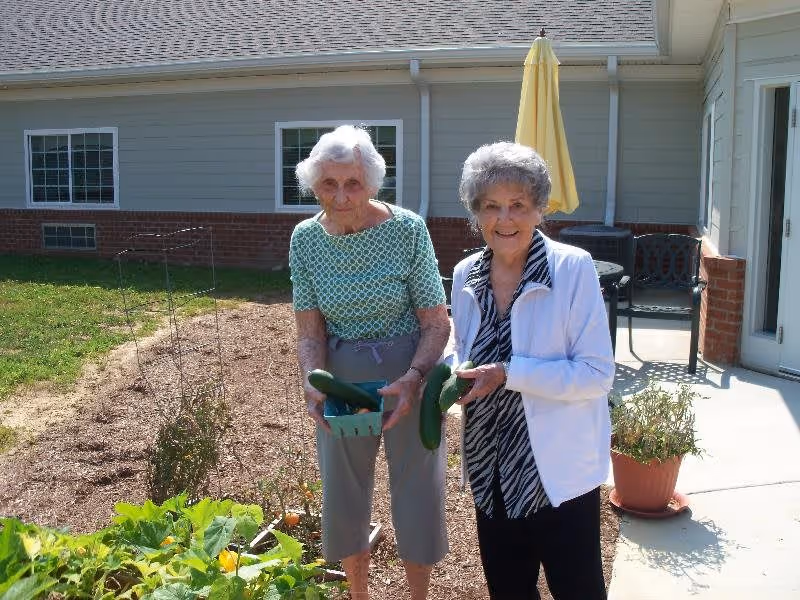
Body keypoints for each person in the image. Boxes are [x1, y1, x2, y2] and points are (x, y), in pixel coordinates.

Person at [289, 125, 451, 599]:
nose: (340, 196)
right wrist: (311, 382)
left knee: (417, 493)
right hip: (342, 380)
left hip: (410, 374)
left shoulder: (406, 230)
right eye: (328, 184)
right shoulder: (305, 239)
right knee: (344, 496)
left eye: (352, 183)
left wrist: (416, 376)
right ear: (313, 185)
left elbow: (436, 323)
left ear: (373, 184)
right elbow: (310, 329)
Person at [448, 141, 615, 600]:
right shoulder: (466, 274)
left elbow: (597, 373)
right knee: (509, 590)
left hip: (558, 475)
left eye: (518, 205)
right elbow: (459, 346)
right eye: (492, 206)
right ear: (476, 213)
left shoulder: (572, 268)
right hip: (491, 467)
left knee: (578, 589)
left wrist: (509, 373)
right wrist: (446, 374)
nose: (505, 219)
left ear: (539, 209)